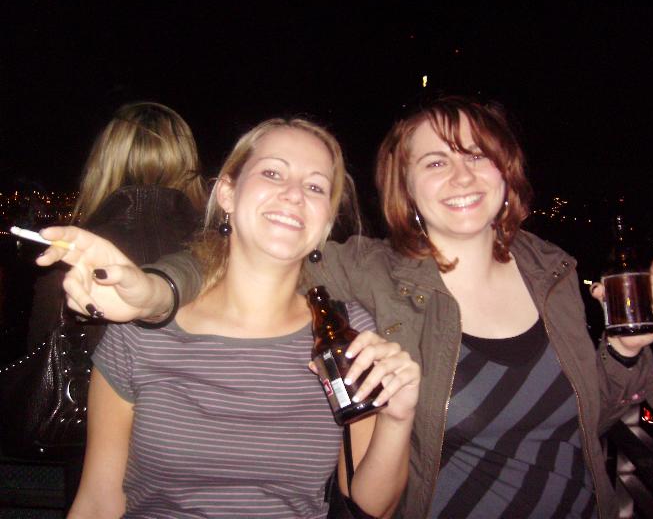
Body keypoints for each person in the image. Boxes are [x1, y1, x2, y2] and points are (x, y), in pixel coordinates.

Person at [37, 97, 653, 518]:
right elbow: (256, 256)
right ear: (404, 189)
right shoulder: (369, 274)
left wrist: (625, 349)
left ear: (508, 172)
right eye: (435, 162)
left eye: (479, 155)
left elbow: (589, 417)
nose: (462, 174)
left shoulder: (554, 271)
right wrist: (156, 293)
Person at [39, 118, 420, 518]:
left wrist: (397, 418)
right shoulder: (141, 332)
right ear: (227, 193)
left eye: (315, 187)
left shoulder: (344, 334)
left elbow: (372, 506)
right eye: (272, 173)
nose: (294, 194)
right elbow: (99, 501)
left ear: (326, 221)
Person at [23, 101, 207, 509]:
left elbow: (40, 352)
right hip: (197, 460)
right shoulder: (218, 253)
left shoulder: (74, 250)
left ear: (103, 162)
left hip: (90, 452)